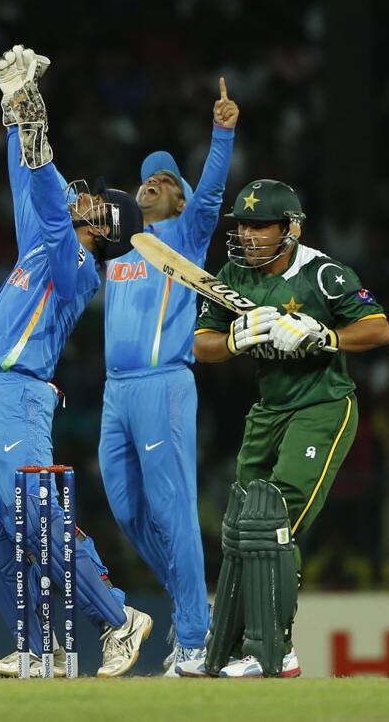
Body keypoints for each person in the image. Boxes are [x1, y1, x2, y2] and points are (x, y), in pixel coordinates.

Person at [0, 46, 151, 679]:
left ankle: (119, 619)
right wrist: (16, 117)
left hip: (16, 397)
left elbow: (45, 184)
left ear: (105, 229)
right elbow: (28, 179)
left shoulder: (76, 267)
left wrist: (31, 117)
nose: (82, 198)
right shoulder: (43, 243)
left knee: (41, 518)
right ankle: (39, 650)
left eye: (93, 202)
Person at [176, 178, 389, 678]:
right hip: (268, 411)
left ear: (289, 228)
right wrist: (234, 338)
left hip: (322, 407)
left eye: (258, 225)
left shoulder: (323, 275)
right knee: (238, 530)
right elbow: (199, 344)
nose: (247, 234)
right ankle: (227, 647)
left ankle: (274, 648)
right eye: (242, 225)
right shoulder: (233, 273)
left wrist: (324, 335)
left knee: (271, 525)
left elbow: (379, 327)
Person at [98, 78, 239, 675]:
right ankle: (191, 609)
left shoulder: (185, 234)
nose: (152, 182)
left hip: (164, 383)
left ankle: (195, 640)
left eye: (166, 181)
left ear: (179, 202)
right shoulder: (117, 246)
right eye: (146, 178)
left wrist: (222, 134)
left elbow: (209, 195)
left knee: (173, 509)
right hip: (115, 392)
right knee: (129, 511)